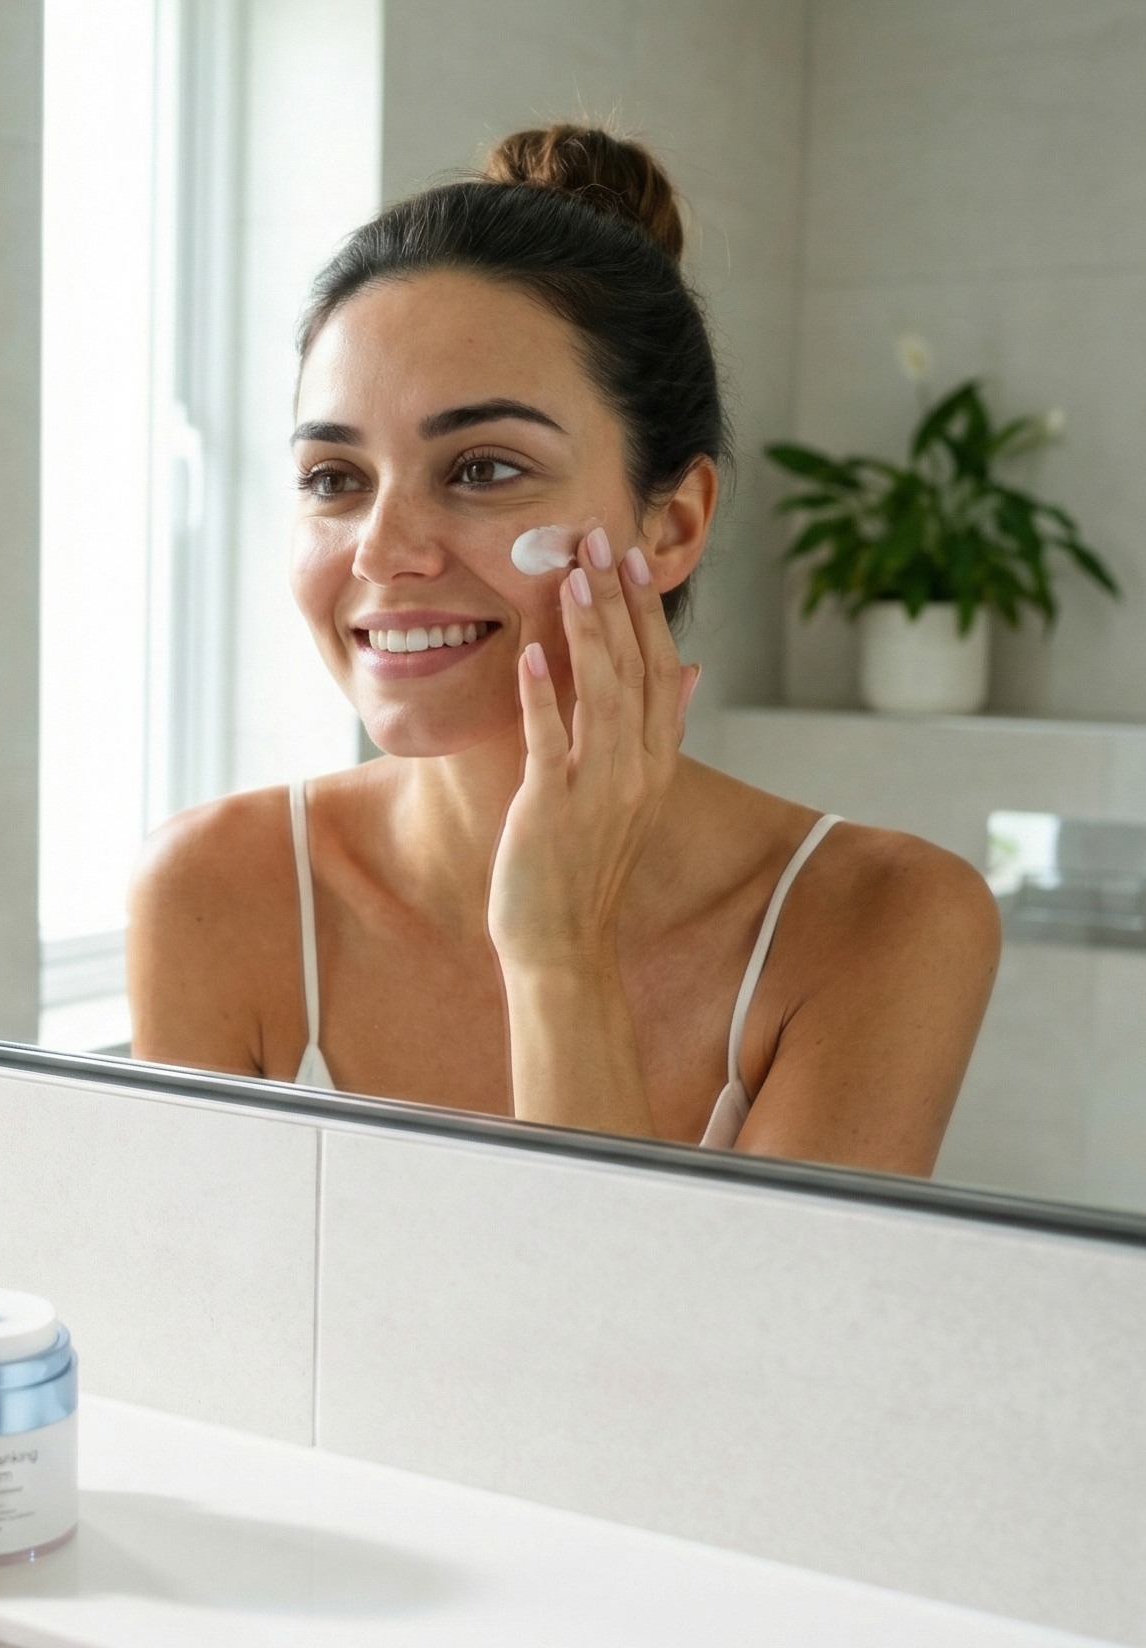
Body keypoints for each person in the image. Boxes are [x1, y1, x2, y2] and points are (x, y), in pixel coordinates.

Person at [130, 125, 998, 1177]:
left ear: (672, 525)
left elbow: (662, 1345)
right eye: (334, 477)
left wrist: (556, 955)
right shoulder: (214, 891)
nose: (384, 551)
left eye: (485, 468)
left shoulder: (885, 924)